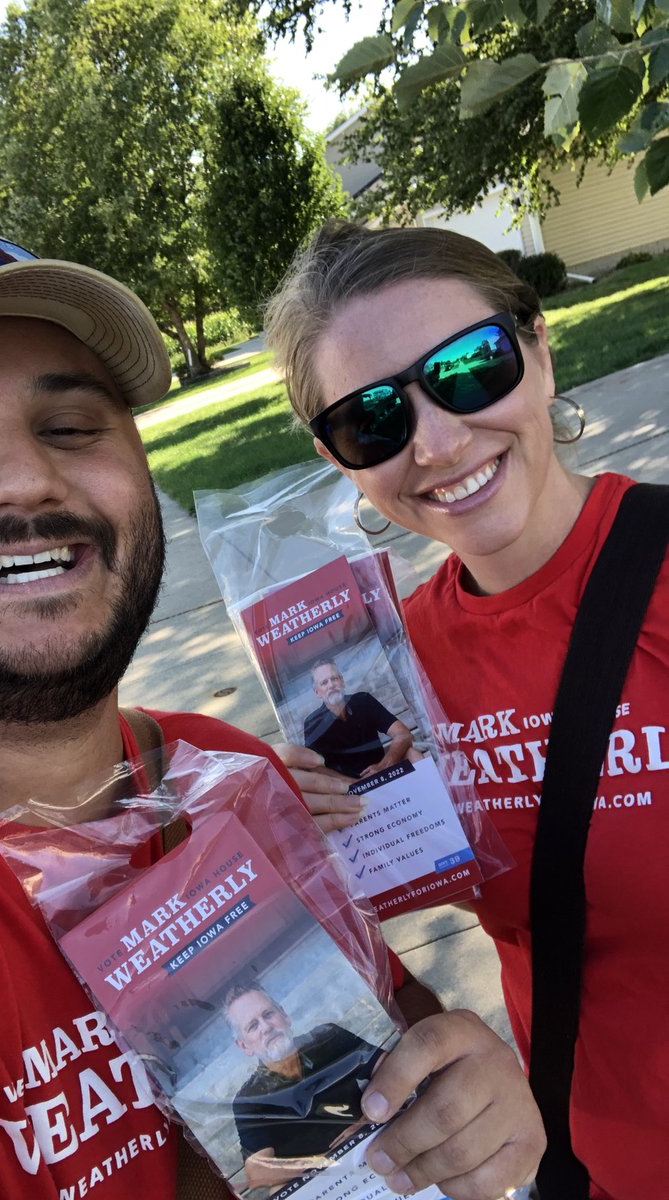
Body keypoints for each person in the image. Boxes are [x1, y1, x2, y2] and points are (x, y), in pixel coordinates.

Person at [0, 228, 543, 1200]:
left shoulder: (226, 778)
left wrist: (465, 1109)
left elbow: (391, 1091)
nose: (24, 480)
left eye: (72, 427)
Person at [265, 218, 669, 1200]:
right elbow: (381, 915)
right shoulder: (394, 672)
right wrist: (300, 836)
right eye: (372, 421)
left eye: (470, 366)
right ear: (339, 459)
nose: (439, 442)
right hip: (588, 1170)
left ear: (536, 346)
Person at [225, 984, 385, 1189]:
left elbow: (388, 1066)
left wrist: (367, 1121)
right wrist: (328, 1160)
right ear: (245, 1046)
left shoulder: (328, 1038)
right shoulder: (249, 1099)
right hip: (321, 1183)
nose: (265, 1027)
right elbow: (258, 1173)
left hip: (372, 1145)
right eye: (253, 1026)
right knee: (278, 1189)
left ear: (284, 1016)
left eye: (268, 1014)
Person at [303, 657, 418, 779]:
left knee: (413, 754)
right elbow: (315, 767)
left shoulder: (363, 700)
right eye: (324, 682)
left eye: (334, 678)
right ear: (317, 692)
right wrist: (352, 783)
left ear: (342, 681)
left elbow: (403, 734)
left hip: (382, 772)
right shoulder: (313, 723)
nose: (331, 685)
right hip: (347, 789)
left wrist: (383, 766)